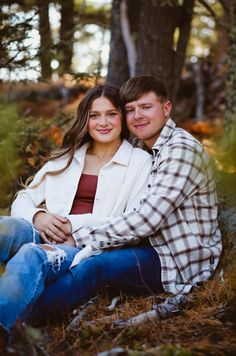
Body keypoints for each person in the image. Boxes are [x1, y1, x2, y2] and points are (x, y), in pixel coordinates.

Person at [0, 84, 153, 335]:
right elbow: (24, 198)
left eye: (111, 114)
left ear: (122, 118)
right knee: (5, 227)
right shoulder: (69, 156)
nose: (103, 122)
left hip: (84, 246)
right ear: (85, 119)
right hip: (45, 231)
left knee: (32, 254)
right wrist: (38, 216)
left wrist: (74, 225)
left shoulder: (139, 162)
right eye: (94, 115)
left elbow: (131, 220)